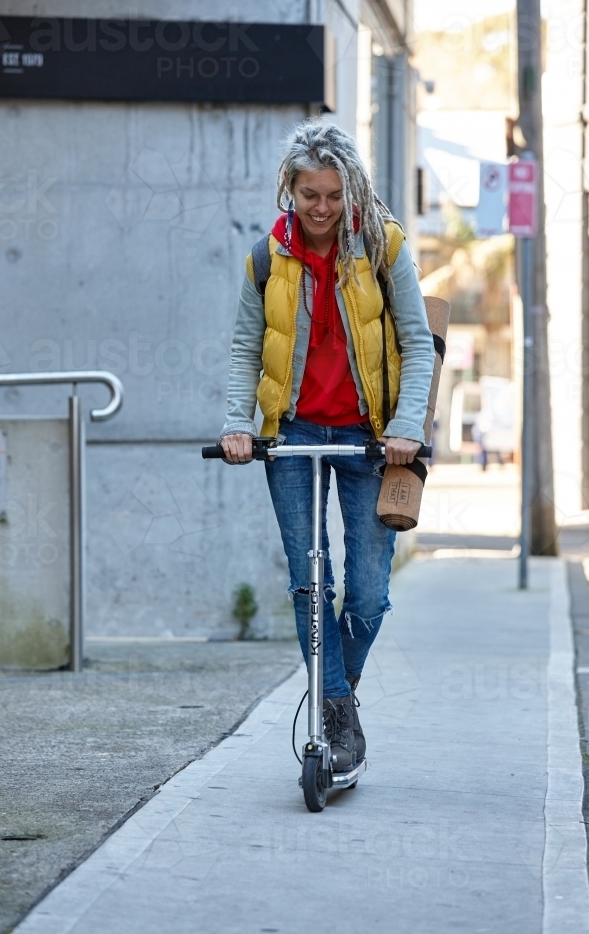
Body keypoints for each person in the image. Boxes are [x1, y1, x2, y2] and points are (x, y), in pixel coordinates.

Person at [219, 120, 434, 770]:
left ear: (351, 191)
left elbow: (418, 343)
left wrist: (406, 427)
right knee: (311, 585)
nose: (320, 208)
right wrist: (237, 422)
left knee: (367, 593)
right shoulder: (266, 257)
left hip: (372, 441)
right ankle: (337, 714)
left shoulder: (383, 247)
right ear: (290, 188)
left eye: (332, 195)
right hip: (292, 435)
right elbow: (243, 347)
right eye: (309, 193)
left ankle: (337, 694)